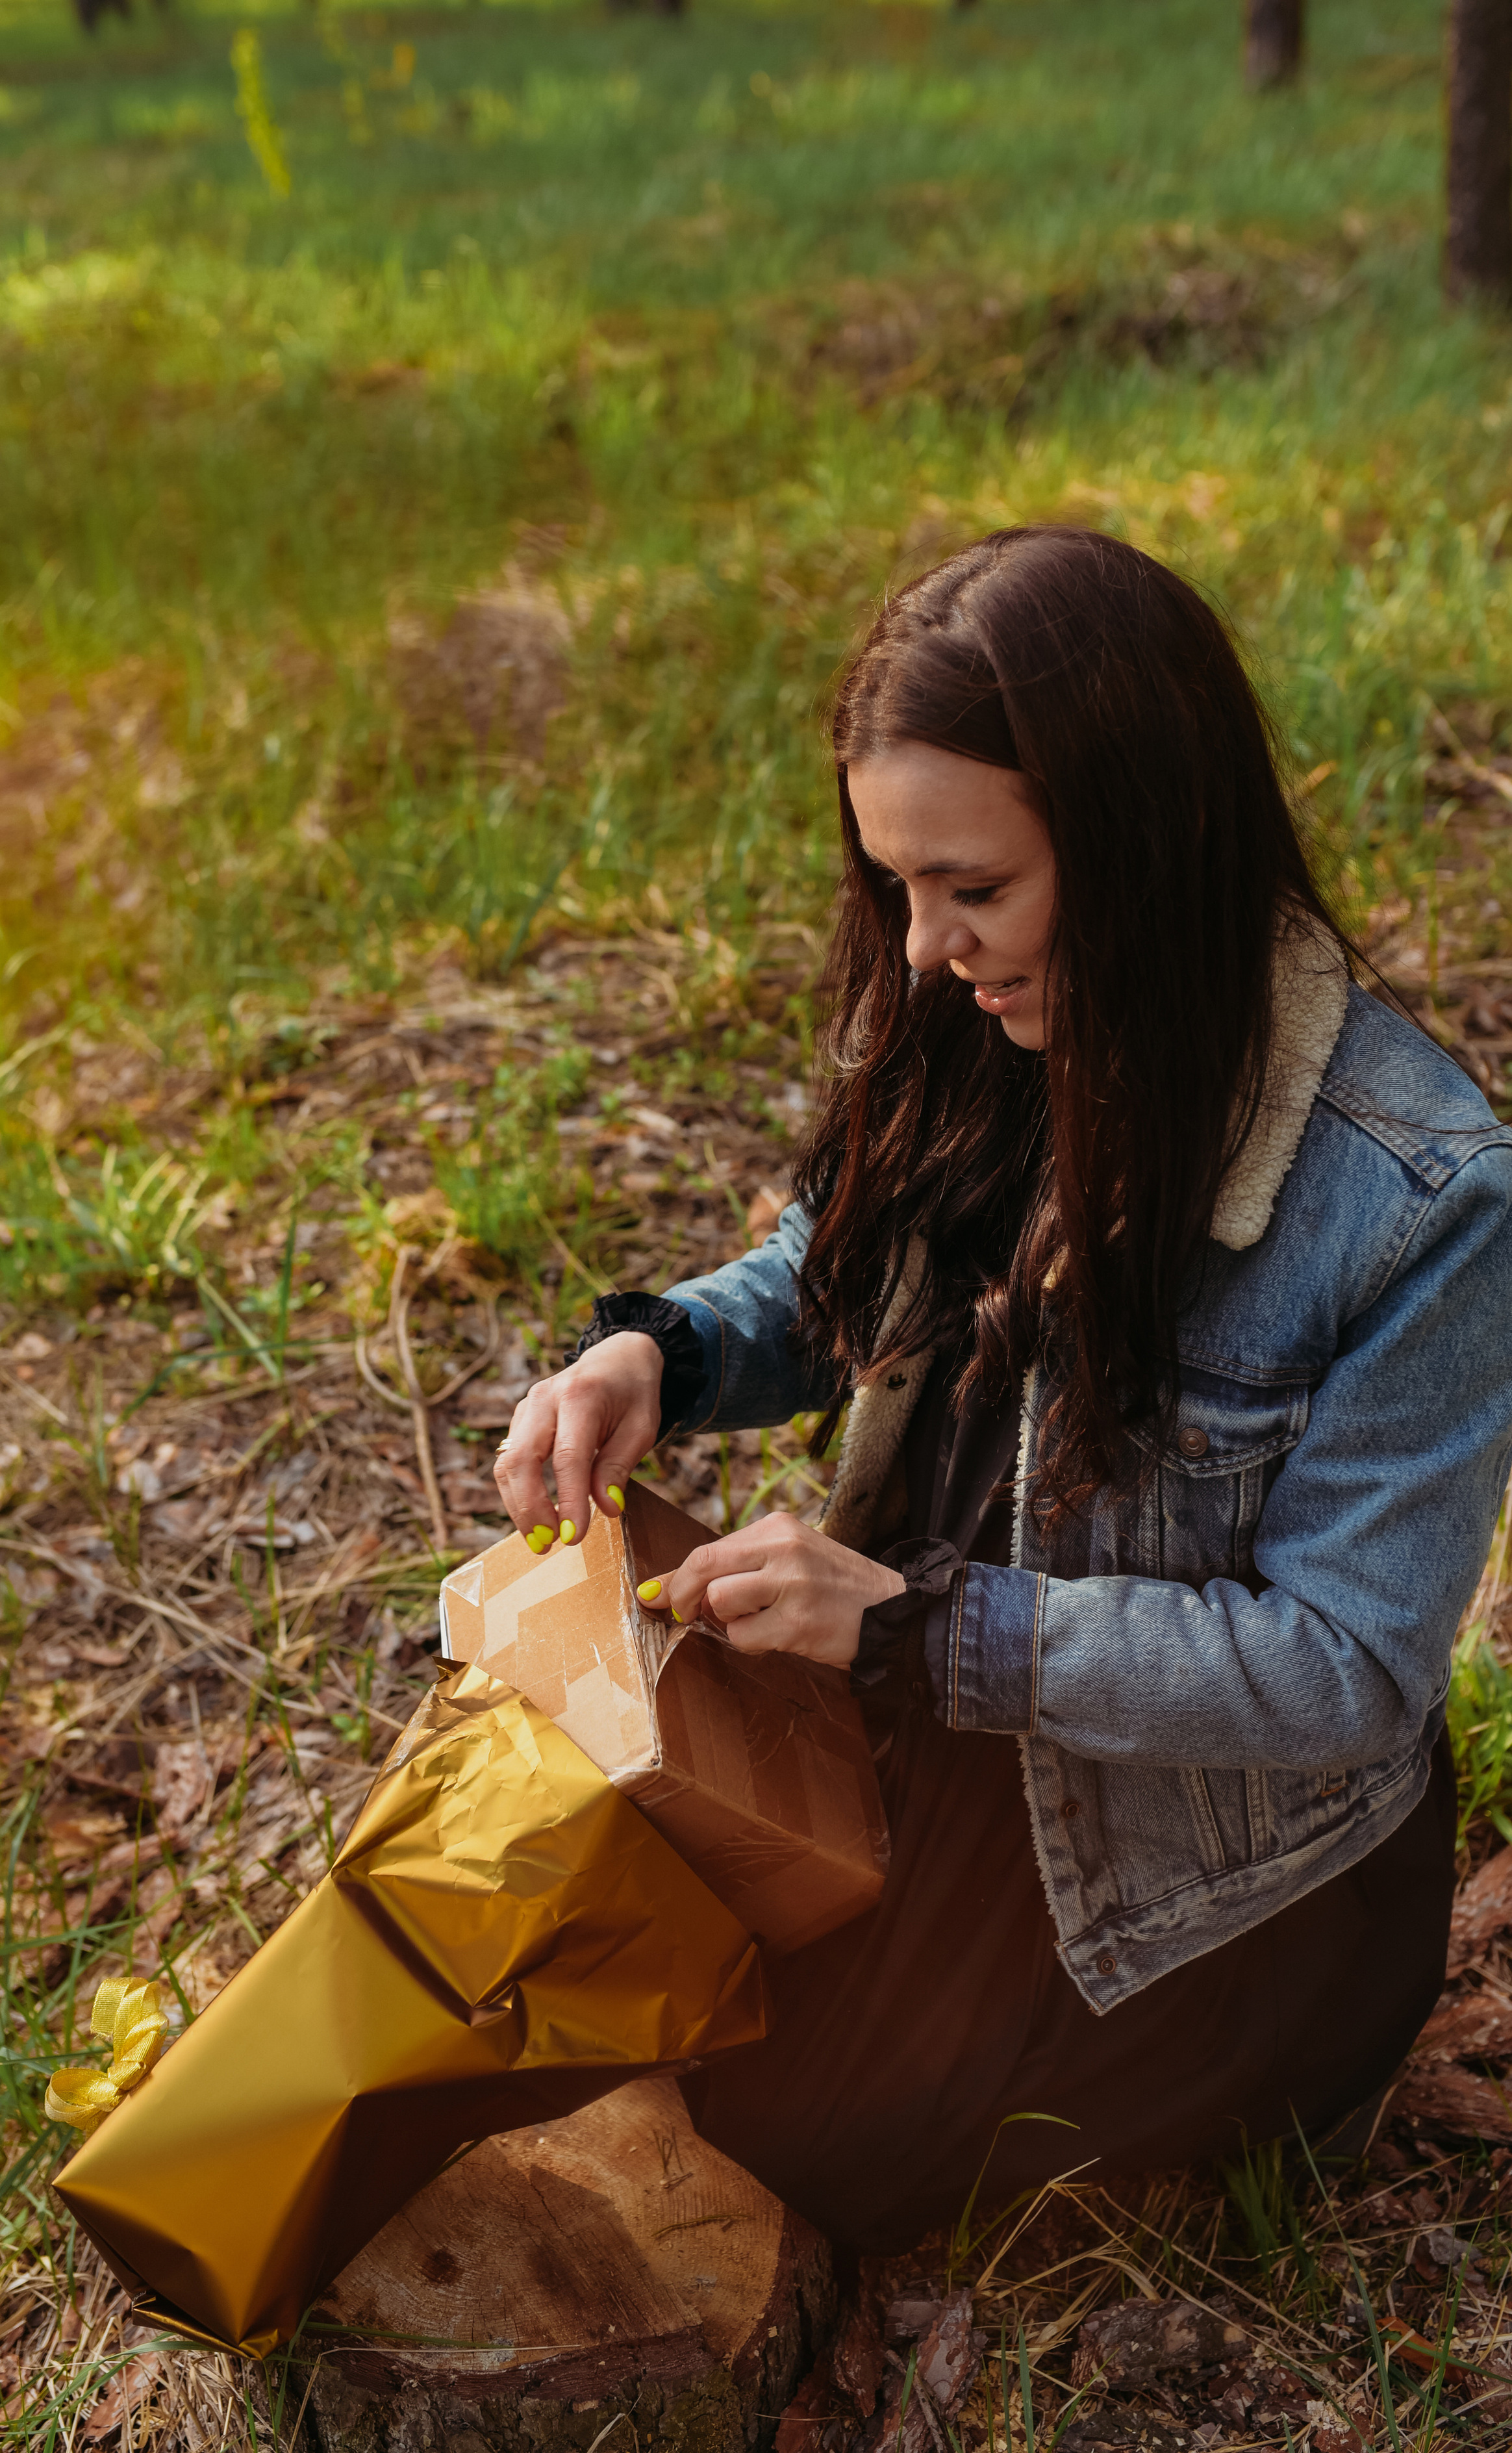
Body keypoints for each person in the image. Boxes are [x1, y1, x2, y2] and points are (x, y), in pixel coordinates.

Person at [492, 526, 1512, 2248]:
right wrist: (659, 1350)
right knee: (553, 1941)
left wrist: (911, 1621)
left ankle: (1267, 2080)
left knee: (770, 2127)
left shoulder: (1419, 1194)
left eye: (972, 888)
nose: (920, 949)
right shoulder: (991, 1014)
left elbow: (1344, 1669)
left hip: (1194, 1867)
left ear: (1141, 844)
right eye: (898, 885)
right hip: (915, 1692)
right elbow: (846, 1266)